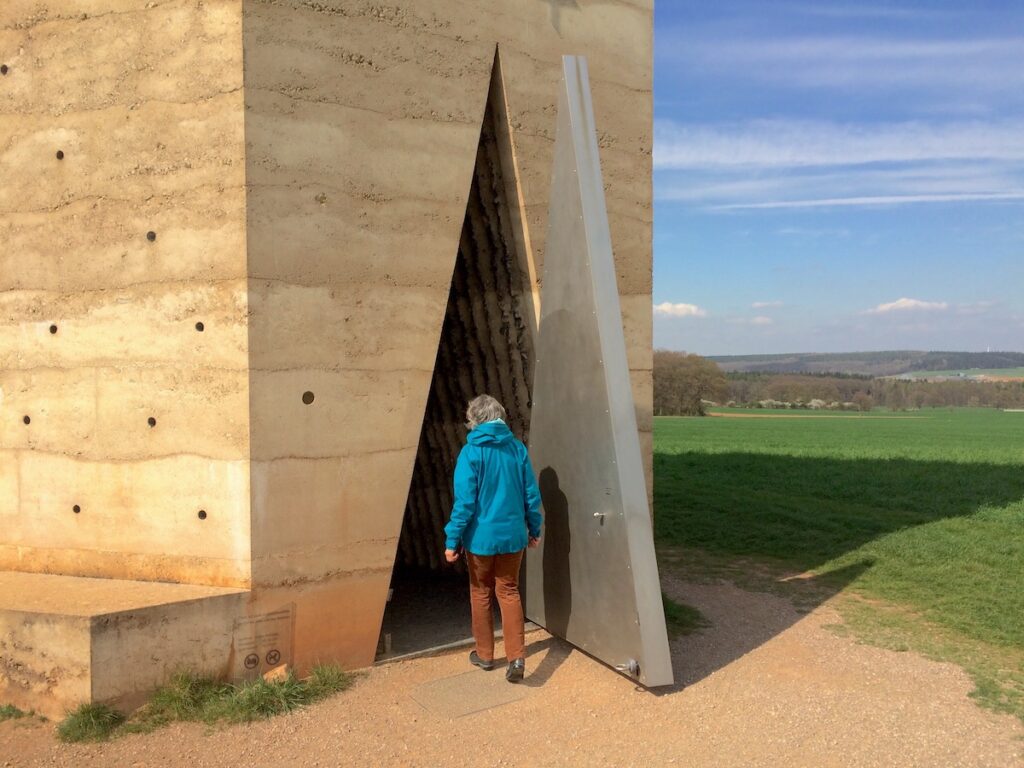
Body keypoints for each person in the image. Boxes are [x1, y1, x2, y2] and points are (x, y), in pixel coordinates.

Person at [444, 394, 543, 683]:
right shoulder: (517, 449)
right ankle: (517, 659)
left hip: (481, 540)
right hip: (513, 537)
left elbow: (464, 503)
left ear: (473, 419)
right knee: (509, 592)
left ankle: (485, 655)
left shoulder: (470, 453)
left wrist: (452, 541)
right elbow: (530, 496)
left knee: (481, 593)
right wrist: (534, 529)